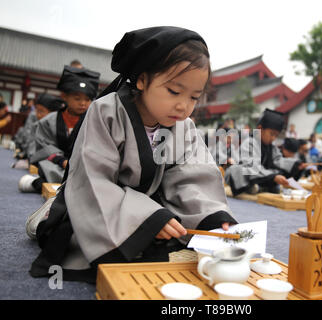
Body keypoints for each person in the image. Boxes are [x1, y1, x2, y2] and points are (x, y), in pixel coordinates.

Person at [27, 26, 237, 284]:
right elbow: (93, 180)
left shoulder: (184, 126)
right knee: (80, 246)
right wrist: (146, 218)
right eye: (174, 91)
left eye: (194, 97)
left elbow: (191, 177)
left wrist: (212, 218)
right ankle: (46, 212)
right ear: (142, 79)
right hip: (100, 209)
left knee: (177, 248)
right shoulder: (106, 112)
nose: (184, 106)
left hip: (148, 207)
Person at [18, 66, 100, 193]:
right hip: (56, 163)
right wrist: (61, 161)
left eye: (87, 99)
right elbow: (42, 147)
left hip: (81, 165)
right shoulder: (48, 121)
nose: (83, 103)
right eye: (77, 98)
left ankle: (39, 183)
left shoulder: (95, 122)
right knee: (47, 167)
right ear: (64, 96)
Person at [225, 109, 304, 195]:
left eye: (276, 136)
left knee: (275, 177)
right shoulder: (249, 142)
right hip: (243, 177)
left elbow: (279, 160)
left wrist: (296, 165)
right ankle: (254, 187)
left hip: (260, 176)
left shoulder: (272, 147)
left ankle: (259, 187)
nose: (273, 138)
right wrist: (273, 177)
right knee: (239, 170)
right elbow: (251, 166)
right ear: (260, 129)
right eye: (272, 134)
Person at [13, 94, 65, 162]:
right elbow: (29, 143)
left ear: (53, 113)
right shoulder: (35, 122)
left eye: (41, 111)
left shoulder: (59, 127)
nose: (38, 114)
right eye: (36, 110)